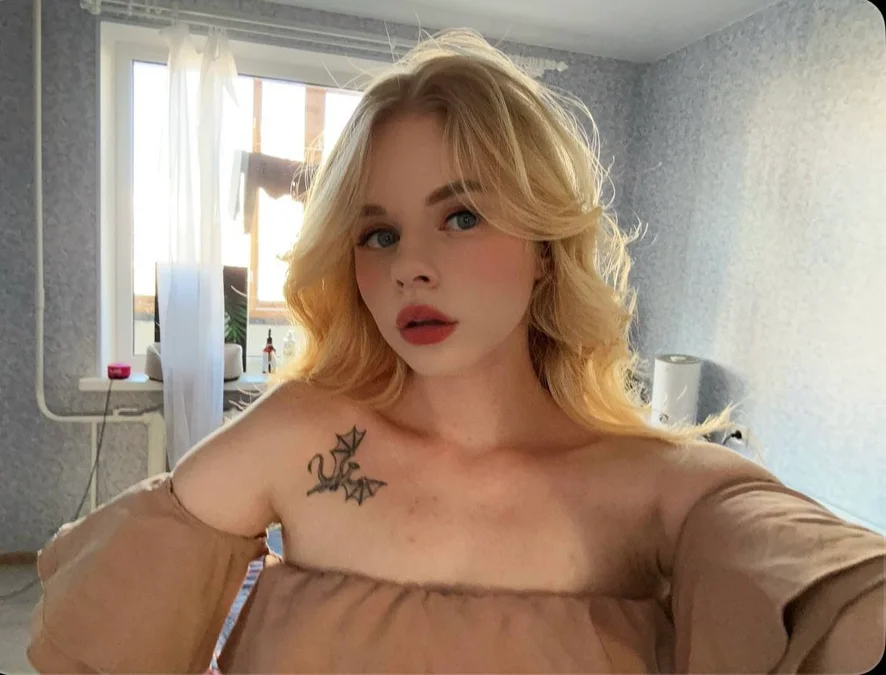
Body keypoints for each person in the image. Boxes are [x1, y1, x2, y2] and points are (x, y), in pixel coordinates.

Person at [28, 29, 884, 674]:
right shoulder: (301, 437)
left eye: (462, 215)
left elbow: (834, 597)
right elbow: (105, 615)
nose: (410, 265)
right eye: (379, 233)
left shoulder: (662, 489)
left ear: (546, 248)